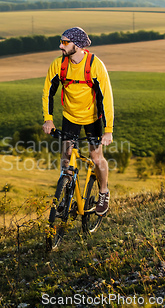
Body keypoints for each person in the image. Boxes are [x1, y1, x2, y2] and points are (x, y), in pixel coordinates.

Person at [42, 27, 114, 216]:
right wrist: (48, 120)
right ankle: (66, 196)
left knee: (96, 157)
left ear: (78, 45)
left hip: (92, 118)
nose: (60, 46)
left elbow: (107, 98)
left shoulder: (95, 66)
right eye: (61, 41)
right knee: (66, 158)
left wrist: (108, 130)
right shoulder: (58, 65)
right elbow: (48, 92)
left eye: (65, 42)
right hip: (70, 117)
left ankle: (104, 192)